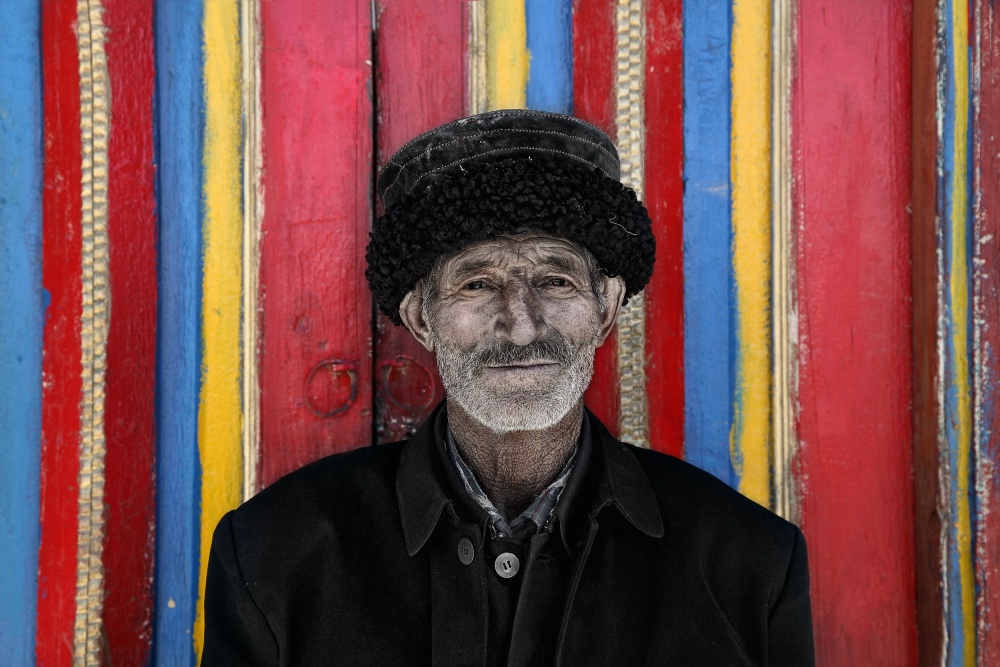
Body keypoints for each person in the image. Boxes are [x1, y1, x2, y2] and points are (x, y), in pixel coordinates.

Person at [203, 109, 814, 665]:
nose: (522, 327)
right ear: (421, 318)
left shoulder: (750, 565)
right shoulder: (272, 555)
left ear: (606, 308)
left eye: (555, 281)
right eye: (477, 284)